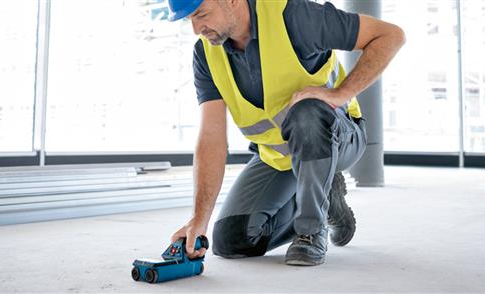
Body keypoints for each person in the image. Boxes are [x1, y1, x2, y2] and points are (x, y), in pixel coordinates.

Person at [168, 0, 405, 266]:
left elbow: (390, 35)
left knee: (307, 113)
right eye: (189, 19)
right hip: (277, 157)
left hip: (338, 139)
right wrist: (199, 220)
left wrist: (340, 94)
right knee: (232, 240)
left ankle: (311, 230)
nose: (197, 28)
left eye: (201, 14)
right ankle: (326, 198)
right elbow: (211, 136)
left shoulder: (294, 16)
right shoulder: (206, 54)